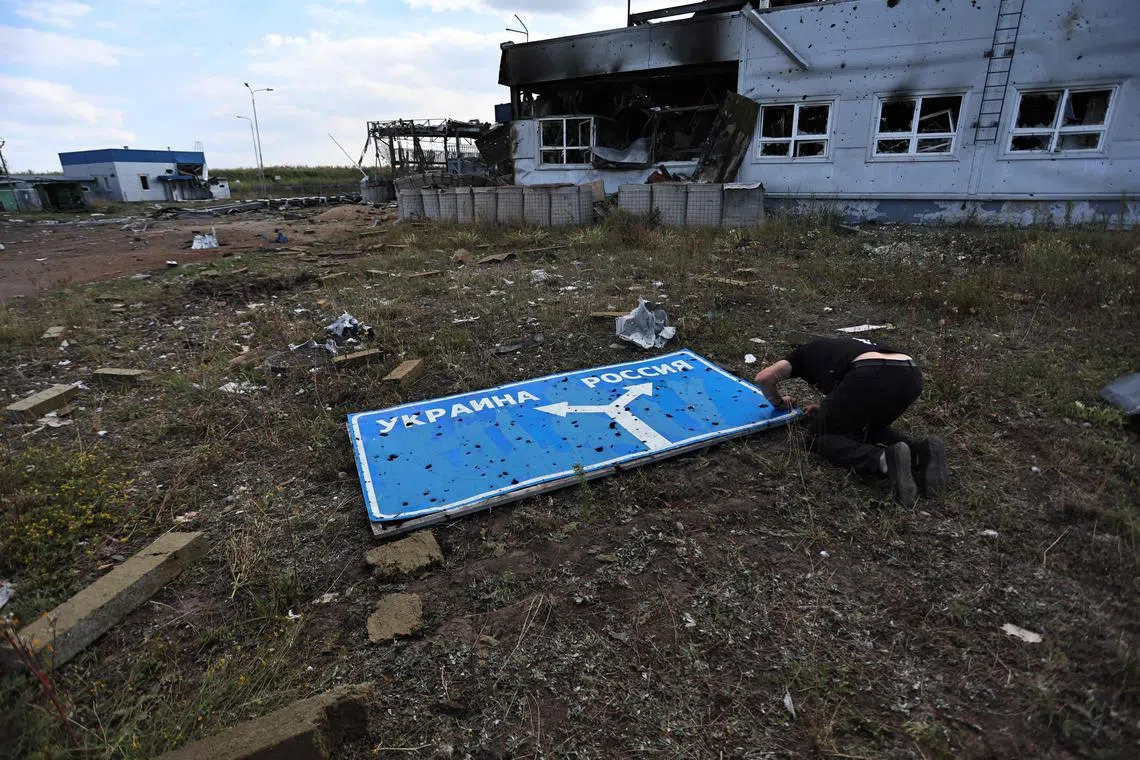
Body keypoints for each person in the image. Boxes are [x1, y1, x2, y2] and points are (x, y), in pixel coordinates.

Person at [754, 336, 947, 506]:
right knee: (865, 428)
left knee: (818, 437)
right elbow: (852, 393)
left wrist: (779, 403)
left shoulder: (804, 353)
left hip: (869, 373)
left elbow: (765, 378)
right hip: (910, 374)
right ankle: (920, 451)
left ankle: (882, 459)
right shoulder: (844, 347)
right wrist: (826, 409)